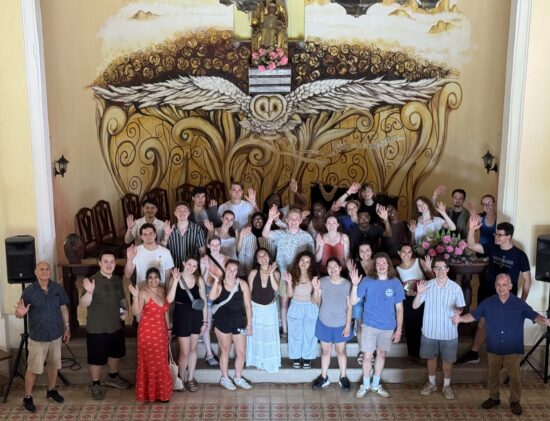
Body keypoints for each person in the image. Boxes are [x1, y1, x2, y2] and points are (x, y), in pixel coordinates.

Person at [452, 274, 550, 416]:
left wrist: (545, 320)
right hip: (494, 347)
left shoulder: (520, 304)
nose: (501, 288)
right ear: (495, 286)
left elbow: (534, 315)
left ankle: (515, 401)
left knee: (515, 378)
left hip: (513, 348)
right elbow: (473, 315)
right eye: (498, 285)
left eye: (504, 285)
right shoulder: (488, 303)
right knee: (492, 376)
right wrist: (460, 319)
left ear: (510, 286)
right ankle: (494, 398)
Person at [458, 217, 531, 364]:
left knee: (503, 325)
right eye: (495, 234)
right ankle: (474, 353)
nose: (496, 236)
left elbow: (527, 279)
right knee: (482, 322)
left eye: (499, 234)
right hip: (487, 291)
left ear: (508, 236)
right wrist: (471, 229)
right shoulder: (492, 247)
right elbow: (471, 245)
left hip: (506, 296)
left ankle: (505, 358)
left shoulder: (520, 255)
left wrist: (522, 301)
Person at [15, 262, 70, 412]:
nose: (45, 271)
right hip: (38, 337)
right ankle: (27, 397)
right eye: (41, 269)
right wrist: (20, 313)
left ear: (50, 272)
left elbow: (63, 308)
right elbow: (19, 312)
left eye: (47, 269)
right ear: (36, 272)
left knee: (53, 365)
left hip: (55, 335)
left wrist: (67, 327)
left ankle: (51, 390)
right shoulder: (29, 291)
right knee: (33, 368)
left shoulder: (58, 288)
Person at [350, 252, 404, 399]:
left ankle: (375, 384)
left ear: (388, 265)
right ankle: (365, 384)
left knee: (381, 354)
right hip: (369, 325)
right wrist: (354, 285)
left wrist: (399, 330)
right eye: (378, 263)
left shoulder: (395, 283)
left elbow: (399, 309)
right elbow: (354, 301)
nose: (381, 266)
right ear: (375, 266)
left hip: (387, 326)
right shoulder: (367, 280)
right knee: (367, 356)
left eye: (384, 263)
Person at [413, 257, 465, 400]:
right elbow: (415, 306)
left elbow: (461, 307)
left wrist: (458, 311)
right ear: (433, 270)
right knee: (431, 358)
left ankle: (446, 385)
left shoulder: (456, 288)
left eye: (443, 268)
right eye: (437, 268)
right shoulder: (427, 285)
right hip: (430, 331)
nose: (440, 271)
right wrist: (419, 293)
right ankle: (432, 384)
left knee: (448, 361)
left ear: (448, 269)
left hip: (449, 332)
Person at [80, 251, 130, 400]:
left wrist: (124, 312)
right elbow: (83, 303)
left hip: (115, 325)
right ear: (100, 263)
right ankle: (95, 384)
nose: (109, 264)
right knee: (96, 359)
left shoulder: (117, 279)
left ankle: (113, 378)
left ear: (115, 263)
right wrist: (89, 292)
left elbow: (122, 299)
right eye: (105, 261)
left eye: (112, 261)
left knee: (115, 354)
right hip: (97, 327)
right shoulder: (91, 280)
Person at [263, 206, 315, 338]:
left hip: (301, 276)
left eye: (297, 218)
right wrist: (270, 219)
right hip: (284, 274)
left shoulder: (306, 236)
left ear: (301, 220)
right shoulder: (281, 234)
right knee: (284, 303)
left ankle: (297, 329)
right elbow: (265, 234)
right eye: (291, 218)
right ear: (286, 220)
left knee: (298, 304)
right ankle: (285, 331)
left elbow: (311, 257)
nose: (294, 221)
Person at [129, 268, 172, 403]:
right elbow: (136, 312)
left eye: (156, 277)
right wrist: (135, 297)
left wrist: (168, 329)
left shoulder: (162, 290)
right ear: (147, 280)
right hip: (147, 333)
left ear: (159, 279)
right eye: (150, 277)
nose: (153, 280)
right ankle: (148, 395)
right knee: (149, 363)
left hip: (161, 332)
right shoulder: (143, 292)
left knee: (161, 362)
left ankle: (162, 394)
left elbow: (165, 311)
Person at [209, 260, 253, 390]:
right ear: (225, 269)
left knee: (241, 352)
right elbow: (211, 297)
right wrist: (216, 281)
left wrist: (249, 324)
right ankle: (225, 378)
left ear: (237, 272)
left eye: (234, 270)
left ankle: (238, 377)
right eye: (229, 269)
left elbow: (248, 305)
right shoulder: (220, 283)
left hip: (239, 322)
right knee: (225, 350)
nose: (231, 272)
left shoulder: (243, 284)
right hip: (222, 322)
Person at [166, 256, 208, 392]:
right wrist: (175, 280)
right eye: (189, 264)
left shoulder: (199, 279)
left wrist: (205, 322)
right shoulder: (175, 278)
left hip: (196, 316)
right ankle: (180, 378)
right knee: (184, 352)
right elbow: (169, 300)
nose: (191, 268)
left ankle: (190, 379)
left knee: (193, 349)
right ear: (184, 263)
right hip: (181, 316)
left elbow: (204, 301)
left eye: (194, 266)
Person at [311, 257, 353, 390]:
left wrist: (348, 325)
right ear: (327, 269)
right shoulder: (322, 282)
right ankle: (324, 377)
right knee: (325, 351)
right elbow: (315, 301)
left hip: (341, 323)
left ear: (340, 268)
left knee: (341, 351)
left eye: (335, 266)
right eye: (329, 267)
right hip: (324, 321)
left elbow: (350, 306)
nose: (332, 269)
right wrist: (315, 289)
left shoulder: (347, 284)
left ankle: (343, 377)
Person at [246, 248, 281, 373]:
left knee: (269, 335)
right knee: (257, 335)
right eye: (259, 256)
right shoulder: (253, 273)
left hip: (270, 309)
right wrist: (248, 311)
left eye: (264, 255)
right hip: (256, 308)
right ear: (257, 260)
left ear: (269, 257)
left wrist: (271, 274)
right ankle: (257, 360)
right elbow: (249, 293)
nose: (262, 257)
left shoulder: (276, 273)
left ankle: (269, 361)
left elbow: (276, 288)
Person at [395, 243, 432, 361]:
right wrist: (406, 292)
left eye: (409, 252)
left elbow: (431, 278)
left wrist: (429, 268)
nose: (406, 254)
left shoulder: (419, 262)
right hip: (408, 300)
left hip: (423, 298)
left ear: (412, 253)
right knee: (411, 326)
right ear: (399, 253)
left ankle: (426, 354)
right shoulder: (397, 269)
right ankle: (413, 355)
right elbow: (399, 287)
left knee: (424, 325)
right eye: (404, 252)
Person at [285, 251, 319, 369]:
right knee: (295, 333)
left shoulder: (314, 277)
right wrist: (289, 283)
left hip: (310, 306)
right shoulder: (292, 275)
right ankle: (296, 357)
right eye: (302, 260)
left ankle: (307, 358)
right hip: (295, 306)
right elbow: (289, 295)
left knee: (310, 333)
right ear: (298, 261)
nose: (304, 263)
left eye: (307, 262)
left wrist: (315, 288)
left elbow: (315, 300)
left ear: (311, 264)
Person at [200, 236, 228, 366]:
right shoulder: (204, 259)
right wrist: (206, 268)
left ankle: (223, 351)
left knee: (222, 322)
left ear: (220, 246)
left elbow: (228, 277)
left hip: (221, 290)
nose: (215, 247)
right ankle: (209, 354)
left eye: (217, 245)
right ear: (208, 246)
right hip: (208, 289)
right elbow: (202, 279)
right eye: (213, 245)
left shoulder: (225, 259)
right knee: (207, 322)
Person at [346, 242, 374, 366]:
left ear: (371, 251)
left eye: (367, 250)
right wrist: (350, 271)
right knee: (360, 325)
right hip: (359, 298)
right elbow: (353, 283)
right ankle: (363, 352)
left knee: (372, 326)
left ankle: (371, 352)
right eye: (361, 251)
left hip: (374, 299)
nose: (364, 253)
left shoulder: (378, 263)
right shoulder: (355, 265)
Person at [124, 223, 174, 288]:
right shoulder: (135, 251)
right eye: (145, 234)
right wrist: (129, 259)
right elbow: (127, 275)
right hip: (142, 290)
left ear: (155, 235)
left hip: (160, 291)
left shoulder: (166, 252)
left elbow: (168, 277)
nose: (148, 236)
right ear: (141, 237)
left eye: (151, 233)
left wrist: (167, 293)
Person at [163, 201, 206, 270]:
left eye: (185, 210)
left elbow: (202, 252)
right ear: (175, 213)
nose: (182, 213)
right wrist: (166, 235)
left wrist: (201, 269)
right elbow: (161, 250)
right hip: (174, 269)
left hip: (192, 270)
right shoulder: (169, 229)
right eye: (179, 210)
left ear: (188, 213)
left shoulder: (197, 229)